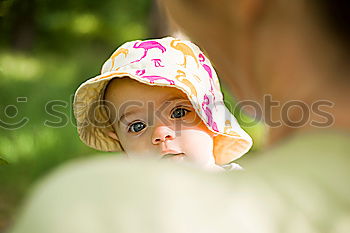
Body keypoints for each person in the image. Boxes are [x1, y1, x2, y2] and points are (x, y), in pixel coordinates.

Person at [73, 37, 252, 170]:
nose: (160, 134)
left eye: (179, 113)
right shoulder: (129, 206)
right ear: (121, 144)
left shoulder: (241, 188)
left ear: (213, 119)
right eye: (137, 126)